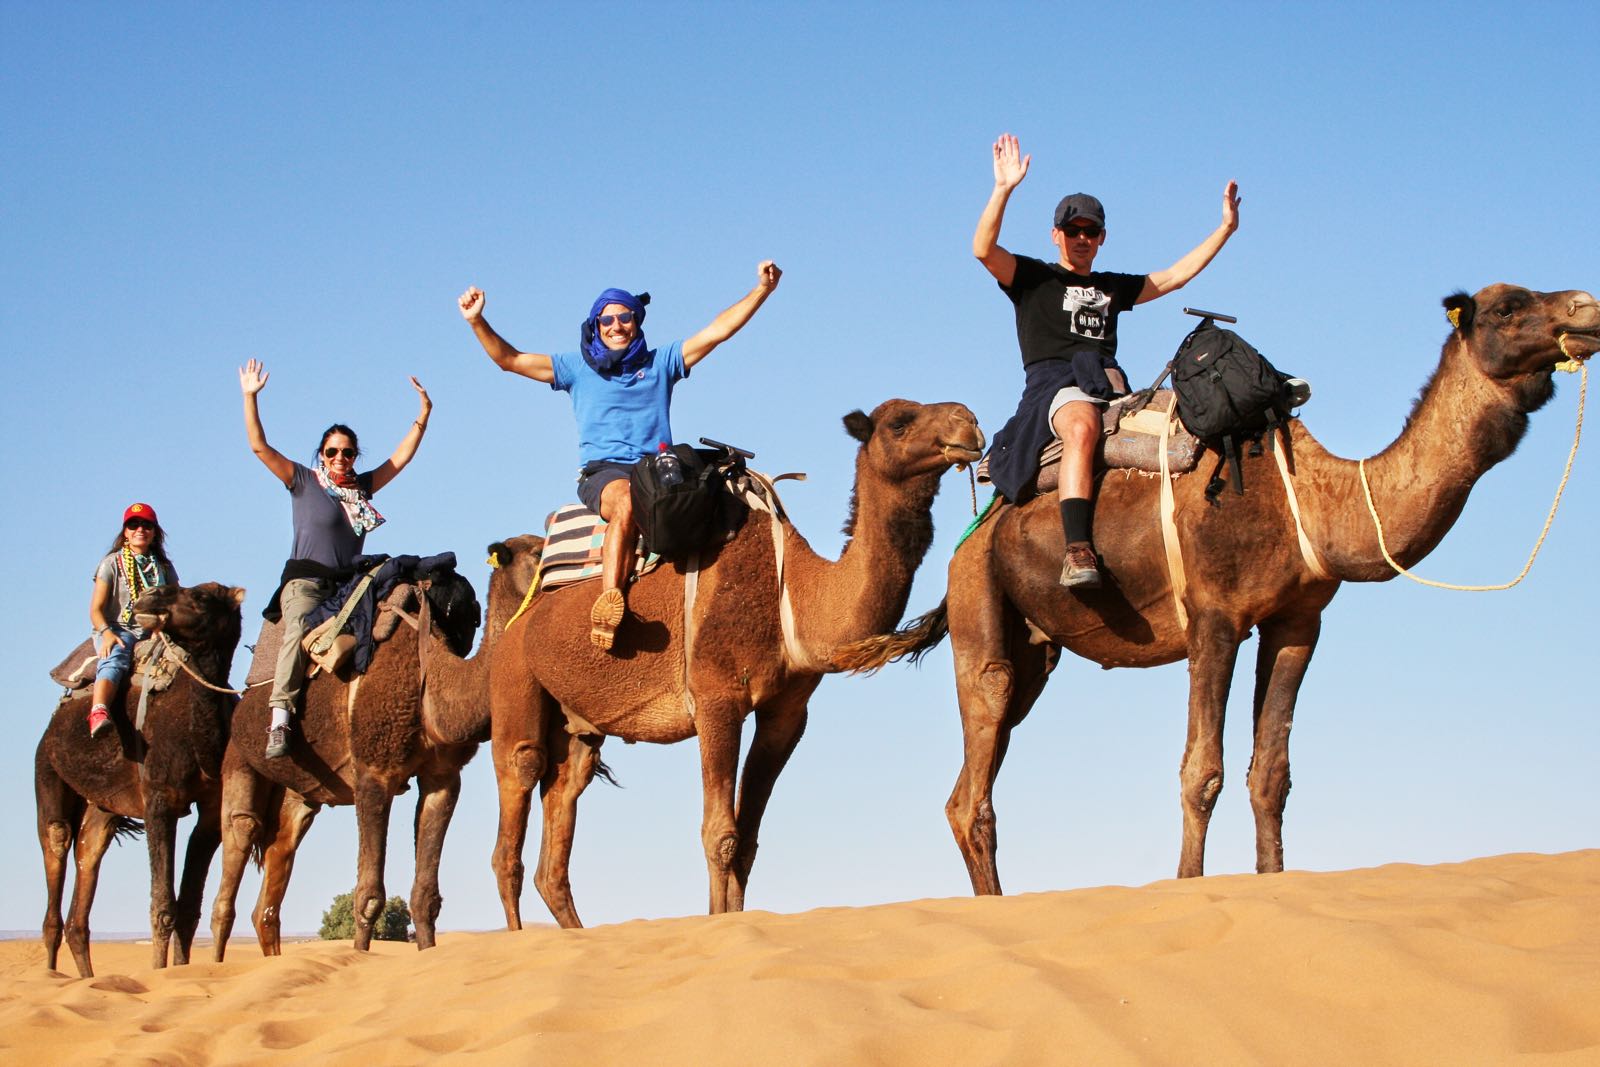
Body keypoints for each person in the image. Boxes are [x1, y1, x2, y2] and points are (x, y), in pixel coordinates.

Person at [458, 260, 782, 651]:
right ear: (595, 325)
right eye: (607, 320)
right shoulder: (574, 368)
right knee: (627, 502)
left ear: (636, 322)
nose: (616, 326)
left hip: (658, 472)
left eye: (624, 318)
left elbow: (717, 332)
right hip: (605, 472)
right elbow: (509, 360)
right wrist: (478, 321)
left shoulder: (659, 363)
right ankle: (610, 600)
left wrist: (761, 290)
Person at [974, 132, 1240, 588]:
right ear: (1056, 235)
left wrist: (1224, 230)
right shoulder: (1033, 278)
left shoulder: (1112, 286)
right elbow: (983, 250)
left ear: (1102, 238)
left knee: (1197, 411)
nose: (1081, 238)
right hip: (1056, 386)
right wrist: (1003, 190)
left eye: (1090, 232)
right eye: (1073, 230)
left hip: (1113, 387)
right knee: (1081, 427)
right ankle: (1076, 549)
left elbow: (1174, 277)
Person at [239, 358, 431, 758]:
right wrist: (250, 397)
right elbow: (259, 446)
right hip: (306, 583)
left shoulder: (361, 489)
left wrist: (422, 416)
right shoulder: (303, 481)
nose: (340, 457)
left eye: (347, 452)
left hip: (350, 585)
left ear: (355, 455)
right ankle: (279, 718)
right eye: (332, 451)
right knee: (297, 631)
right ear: (322, 455)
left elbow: (400, 460)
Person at [87, 502, 179, 737]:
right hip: (118, 628)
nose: (140, 530)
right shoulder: (111, 564)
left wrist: (162, 624)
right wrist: (107, 633)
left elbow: (175, 601)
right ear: (125, 532)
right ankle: (98, 711)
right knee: (116, 656)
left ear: (154, 532)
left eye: (146, 525)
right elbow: (96, 609)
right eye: (133, 525)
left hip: (155, 630)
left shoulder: (164, 568)